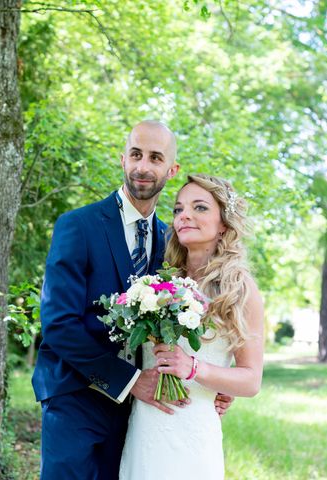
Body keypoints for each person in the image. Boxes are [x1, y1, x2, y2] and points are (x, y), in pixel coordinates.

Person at [31, 122, 233, 479]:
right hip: (74, 394)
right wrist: (129, 380)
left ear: (170, 170)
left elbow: (181, 323)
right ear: (123, 159)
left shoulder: (172, 243)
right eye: (136, 155)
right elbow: (58, 326)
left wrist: (214, 384)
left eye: (156, 158)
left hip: (139, 413)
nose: (143, 166)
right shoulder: (78, 226)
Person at [119, 173, 265, 479]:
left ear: (224, 222)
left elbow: (251, 380)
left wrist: (195, 369)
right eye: (178, 209)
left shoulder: (239, 288)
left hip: (192, 434)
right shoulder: (158, 284)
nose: (184, 215)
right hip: (145, 429)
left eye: (199, 208)